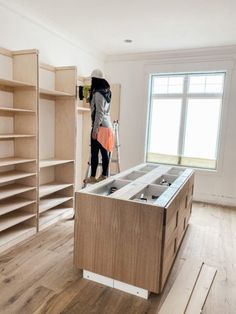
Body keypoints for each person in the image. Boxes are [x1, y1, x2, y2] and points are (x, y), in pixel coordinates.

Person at [85, 69, 113, 184]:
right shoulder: (107, 91)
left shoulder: (98, 93)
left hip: (100, 126)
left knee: (95, 152)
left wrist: (95, 129)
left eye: (92, 79)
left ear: (95, 80)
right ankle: (103, 175)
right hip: (107, 126)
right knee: (104, 152)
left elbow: (99, 112)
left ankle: (95, 176)